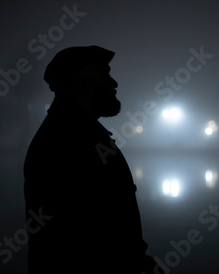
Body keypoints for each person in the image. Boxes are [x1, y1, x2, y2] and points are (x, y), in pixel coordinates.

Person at [23, 45, 161, 273]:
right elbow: (77, 238)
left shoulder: (77, 133)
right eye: (105, 75)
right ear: (84, 84)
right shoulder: (68, 141)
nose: (114, 84)